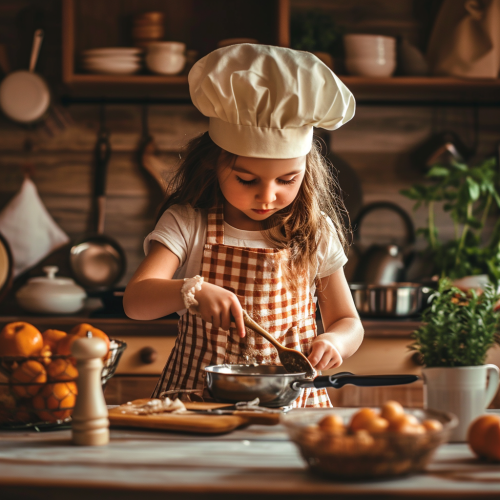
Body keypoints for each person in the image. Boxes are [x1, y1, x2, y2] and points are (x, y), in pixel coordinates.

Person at [124, 44, 364, 407]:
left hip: (293, 408)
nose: (267, 197)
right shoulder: (189, 223)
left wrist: (335, 342)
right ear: (212, 164)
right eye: (247, 180)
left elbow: (348, 321)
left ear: (306, 171)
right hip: (199, 406)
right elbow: (135, 302)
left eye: (287, 180)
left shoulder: (314, 232)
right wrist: (190, 291)